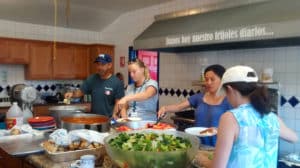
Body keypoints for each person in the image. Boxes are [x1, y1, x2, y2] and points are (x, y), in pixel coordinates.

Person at [198, 65, 298, 168]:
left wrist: (202, 160)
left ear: (230, 89)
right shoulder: (271, 116)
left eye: (225, 93)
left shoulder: (230, 118)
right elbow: (294, 138)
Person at [158, 64, 232, 146]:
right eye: (206, 79)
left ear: (222, 80)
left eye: (212, 79)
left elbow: (234, 127)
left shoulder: (229, 101)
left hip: (218, 146)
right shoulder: (199, 97)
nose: (208, 83)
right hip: (197, 144)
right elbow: (178, 107)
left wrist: (219, 130)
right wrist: (164, 108)